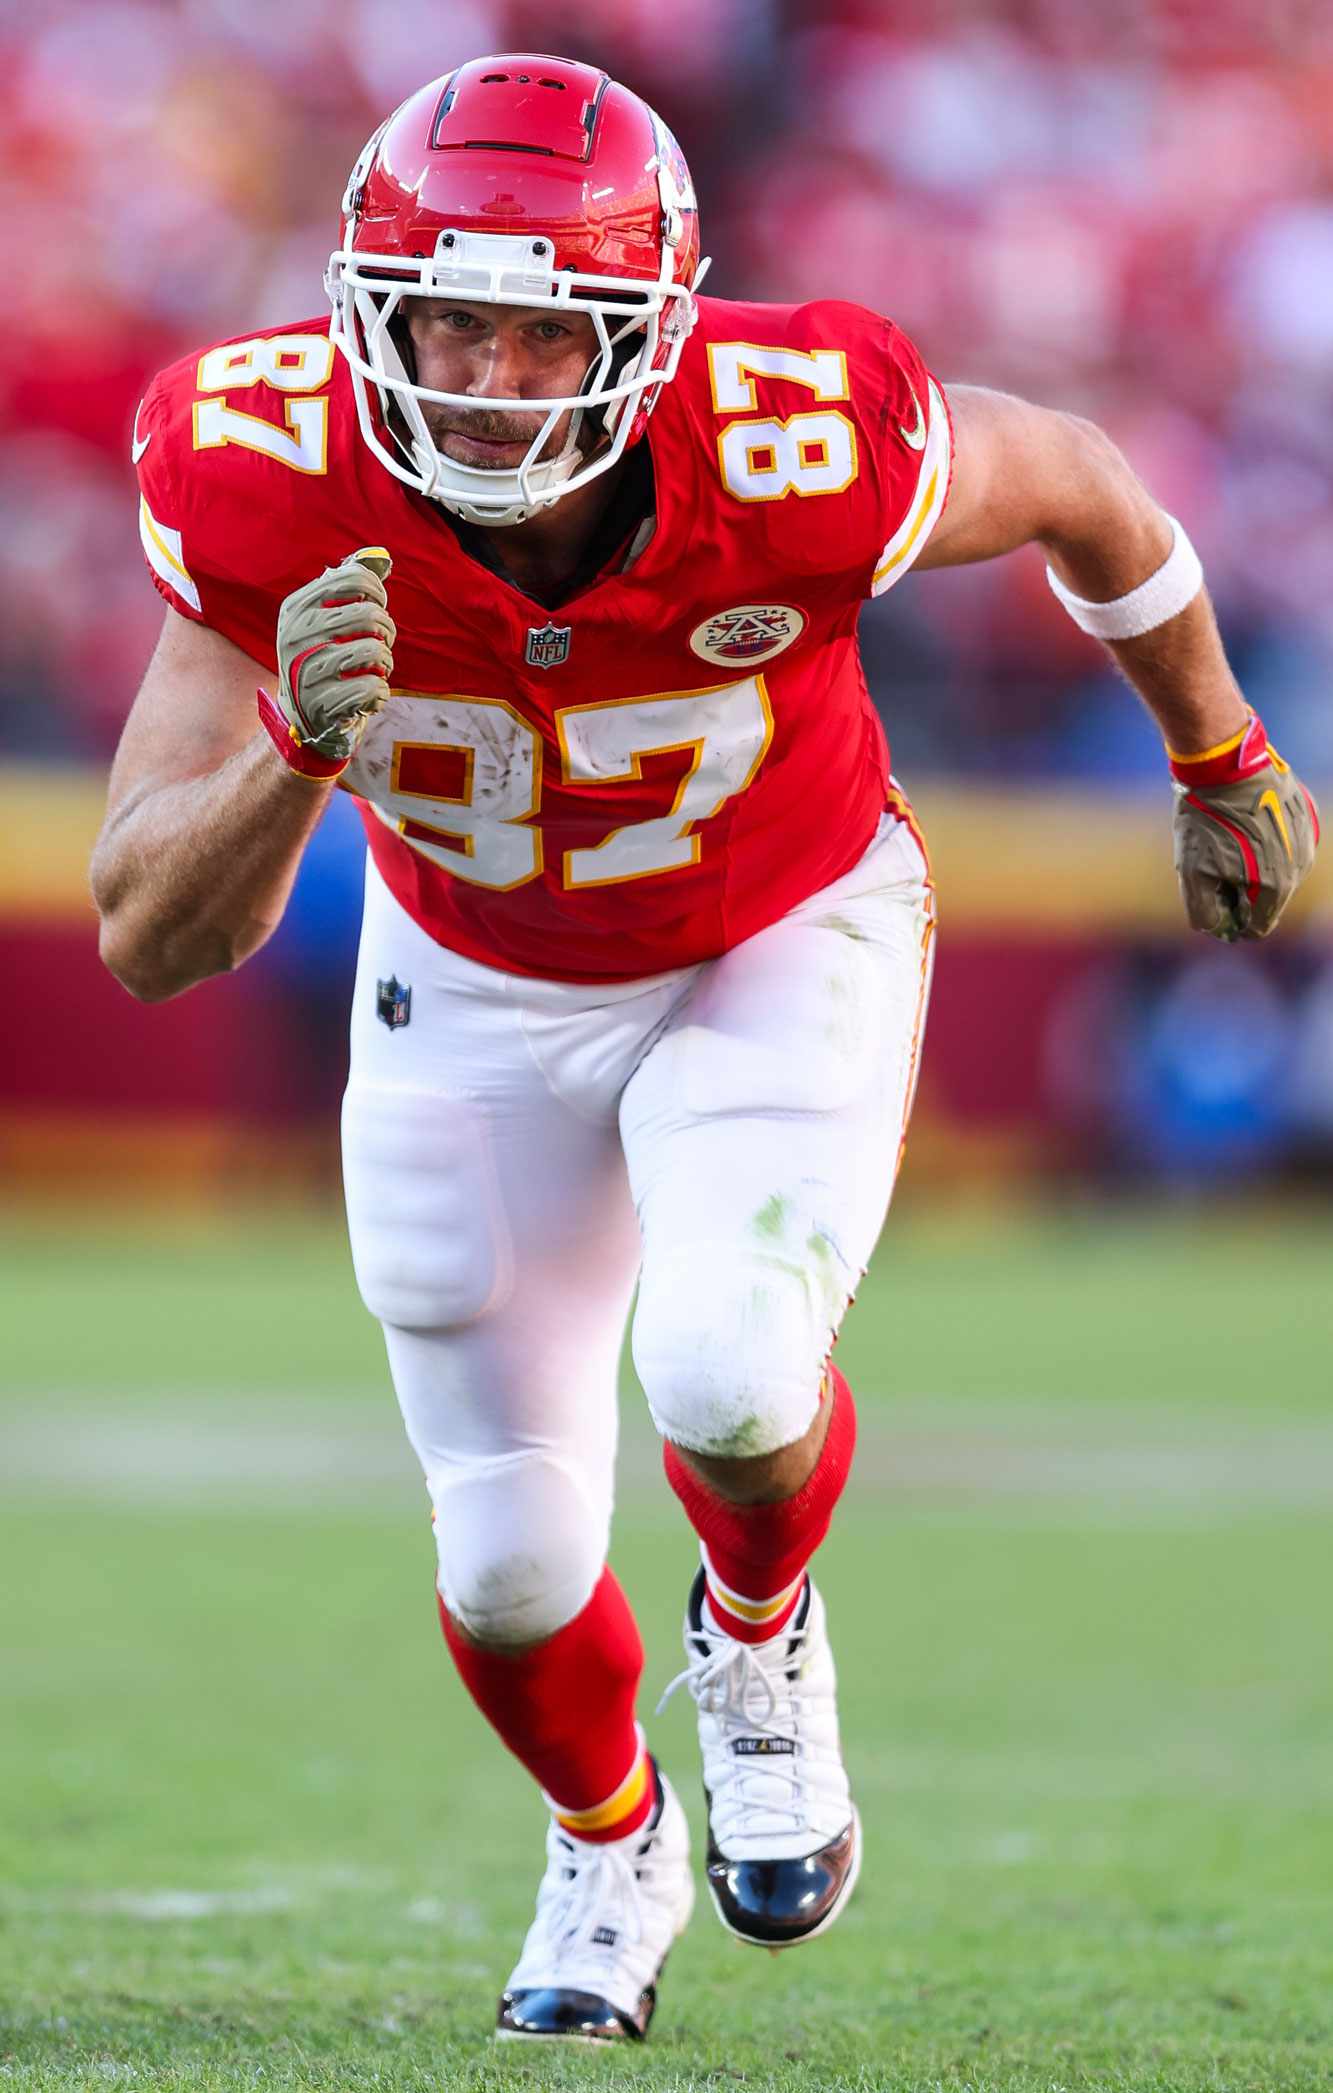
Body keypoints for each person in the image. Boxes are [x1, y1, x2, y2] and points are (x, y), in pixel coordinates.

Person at [91, 53, 1318, 2046]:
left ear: (652, 329)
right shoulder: (255, 469)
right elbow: (154, 931)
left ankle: (758, 1637)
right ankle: (608, 1835)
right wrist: (293, 752)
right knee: (502, 1557)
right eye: (441, 320)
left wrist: (1222, 752)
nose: (481, 373)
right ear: (362, 306)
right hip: (472, 970)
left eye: (533, 325)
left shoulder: (804, 429)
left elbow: (1086, 480)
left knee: (733, 1361)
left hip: (775, 922)